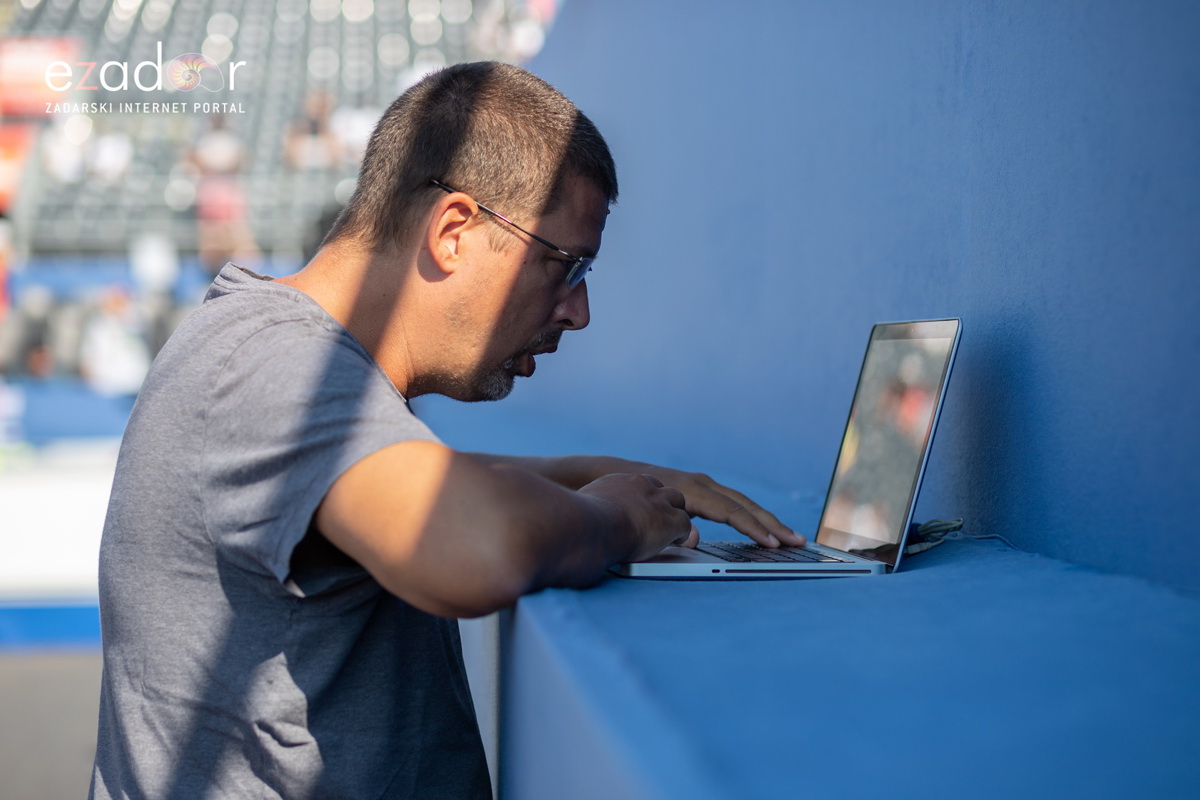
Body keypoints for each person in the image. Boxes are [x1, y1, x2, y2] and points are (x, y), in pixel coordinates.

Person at [89, 62, 805, 800]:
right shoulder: (273, 367)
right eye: (565, 266)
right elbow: (473, 540)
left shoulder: (266, 351)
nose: (577, 310)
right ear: (455, 232)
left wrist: (619, 472)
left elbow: (418, 476)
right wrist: (619, 518)